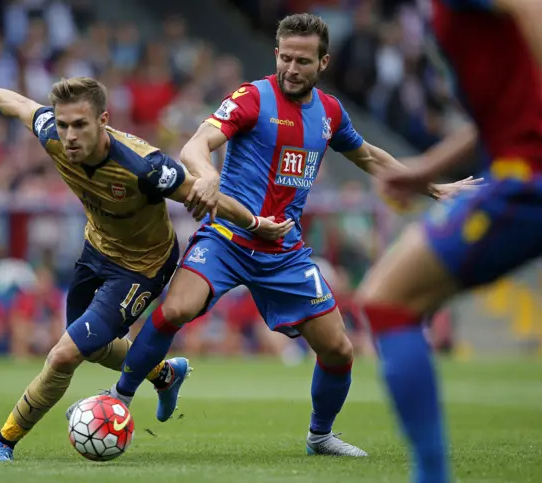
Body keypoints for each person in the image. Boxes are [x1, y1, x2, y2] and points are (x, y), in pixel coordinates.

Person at [101, 13, 479, 458]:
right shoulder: (252, 97)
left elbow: (370, 157)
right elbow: (196, 145)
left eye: (303, 60)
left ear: (323, 63)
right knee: (177, 308)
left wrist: (434, 187)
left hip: (284, 252)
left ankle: (320, 436)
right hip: (228, 237)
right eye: (285, 57)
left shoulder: (330, 112)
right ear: (276, 54)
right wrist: (205, 177)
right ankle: (119, 398)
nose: (292, 68)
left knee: (339, 349)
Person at [0, 55, 292, 462]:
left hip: (142, 267)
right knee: (94, 348)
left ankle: (3, 441)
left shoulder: (145, 167)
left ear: (103, 120)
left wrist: (256, 222)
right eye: (63, 125)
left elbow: (211, 198)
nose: (69, 136)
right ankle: (165, 374)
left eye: (80, 125)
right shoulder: (52, 134)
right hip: (95, 249)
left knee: (64, 354)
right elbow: (18, 105)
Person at [353, 0, 542, 481]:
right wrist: (426, 169)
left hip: (528, 177)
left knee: (388, 299)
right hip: (517, 169)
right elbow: (502, 110)